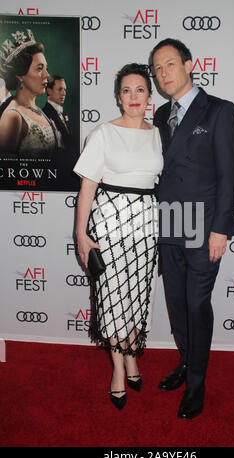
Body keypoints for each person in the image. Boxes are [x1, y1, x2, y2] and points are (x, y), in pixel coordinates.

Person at [150, 38, 234, 419]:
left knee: (196, 304)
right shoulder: (158, 117)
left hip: (204, 225)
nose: (163, 74)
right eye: (157, 69)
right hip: (169, 219)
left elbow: (229, 174)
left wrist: (221, 229)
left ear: (190, 64)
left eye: (170, 64)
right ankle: (186, 363)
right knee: (176, 303)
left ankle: (197, 383)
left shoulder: (218, 110)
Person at [73, 63, 163, 410]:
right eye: (126, 90)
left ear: (149, 95)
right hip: (110, 226)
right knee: (112, 299)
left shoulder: (156, 134)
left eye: (140, 89)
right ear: (118, 97)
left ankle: (130, 357)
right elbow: (87, 187)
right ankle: (118, 369)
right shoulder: (103, 134)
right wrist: (81, 234)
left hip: (146, 227)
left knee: (139, 297)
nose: (133, 97)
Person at [0, 29, 61, 155]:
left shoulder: (39, 110)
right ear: (20, 75)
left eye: (46, 68)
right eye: (39, 69)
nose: (47, 75)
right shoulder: (13, 116)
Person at [43, 75, 72, 147]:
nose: (64, 93)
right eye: (60, 89)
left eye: (64, 89)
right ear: (49, 91)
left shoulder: (64, 114)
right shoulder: (44, 114)